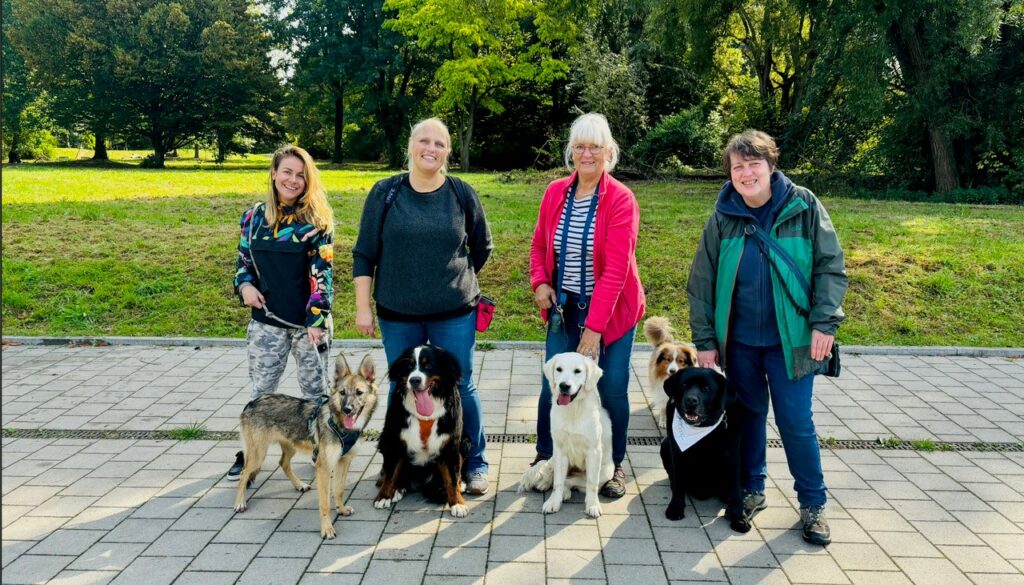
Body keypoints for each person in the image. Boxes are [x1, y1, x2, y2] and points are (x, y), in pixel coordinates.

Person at [686, 129, 847, 545]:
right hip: (739, 344)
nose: (746, 173)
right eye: (737, 167)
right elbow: (701, 282)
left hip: (793, 342)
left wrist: (824, 324)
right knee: (748, 417)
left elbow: (830, 267)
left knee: (796, 423)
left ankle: (813, 504)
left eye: (753, 163)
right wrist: (705, 341)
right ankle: (753, 489)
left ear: (771, 166)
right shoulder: (723, 216)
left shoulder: (803, 205)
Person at [351, 117, 493, 495]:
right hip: (397, 314)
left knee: (462, 388)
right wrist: (363, 308)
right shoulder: (386, 193)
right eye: (424, 141)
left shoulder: (462, 193)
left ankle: (474, 463)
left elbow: (482, 247)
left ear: (448, 151)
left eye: (439, 143)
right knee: (404, 389)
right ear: (411, 146)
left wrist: (453, 279)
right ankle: (402, 463)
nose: (431, 149)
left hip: (453, 314)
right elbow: (364, 253)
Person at [528, 112, 646, 498]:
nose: (587, 154)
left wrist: (594, 330)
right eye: (579, 146)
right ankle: (547, 458)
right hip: (565, 309)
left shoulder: (621, 199)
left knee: (609, 387)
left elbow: (615, 271)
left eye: (595, 146)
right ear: (571, 152)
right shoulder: (555, 192)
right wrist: (540, 281)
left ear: (609, 152)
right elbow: (540, 246)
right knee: (554, 386)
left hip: (611, 312)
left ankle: (613, 466)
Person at [229, 144, 335, 480]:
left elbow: (323, 275)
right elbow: (243, 263)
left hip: (307, 325)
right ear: (274, 173)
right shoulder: (253, 218)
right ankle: (249, 458)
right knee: (262, 396)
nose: (293, 180)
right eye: (287, 172)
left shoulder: (317, 222)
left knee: (315, 396)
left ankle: (322, 454)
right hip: (267, 325)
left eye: (301, 175)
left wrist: (316, 320)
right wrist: (244, 286)